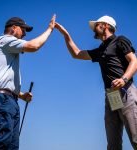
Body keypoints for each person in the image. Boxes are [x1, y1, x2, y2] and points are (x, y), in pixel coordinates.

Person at [55, 15, 137, 150]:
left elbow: (134, 61)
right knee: (113, 145)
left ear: (105, 25)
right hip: (111, 96)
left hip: (125, 91)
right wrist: (65, 34)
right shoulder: (100, 50)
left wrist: (123, 79)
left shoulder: (119, 40)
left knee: (135, 138)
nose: (94, 29)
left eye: (96, 25)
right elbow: (76, 54)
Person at [0, 15, 56, 150]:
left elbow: (1, 81)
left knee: (12, 146)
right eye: (23, 30)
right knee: (3, 141)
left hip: (8, 99)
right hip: (2, 100)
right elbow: (34, 46)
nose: (24, 34)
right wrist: (50, 29)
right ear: (13, 28)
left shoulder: (4, 49)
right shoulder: (5, 40)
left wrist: (21, 95)